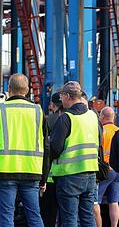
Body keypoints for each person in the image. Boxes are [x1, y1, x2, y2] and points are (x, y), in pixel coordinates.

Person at [0, 73, 49, 227]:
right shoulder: (38, 111)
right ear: (27, 90)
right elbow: (46, 146)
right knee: (34, 215)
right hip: (32, 171)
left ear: (9, 89)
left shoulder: (1, 110)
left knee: (6, 215)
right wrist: (44, 177)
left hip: (5, 170)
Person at [50, 81, 101, 227]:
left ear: (67, 96)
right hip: (90, 173)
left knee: (69, 219)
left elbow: (55, 147)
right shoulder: (92, 116)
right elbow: (99, 141)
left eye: (61, 97)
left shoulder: (66, 118)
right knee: (87, 217)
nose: (61, 101)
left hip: (69, 175)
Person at [96, 107, 119, 227]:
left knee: (95, 202)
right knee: (114, 201)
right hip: (117, 171)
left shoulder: (102, 131)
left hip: (105, 171)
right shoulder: (118, 130)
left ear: (102, 117)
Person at [41, 92, 63, 227]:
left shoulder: (48, 120)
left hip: (49, 174)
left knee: (48, 212)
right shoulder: (71, 118)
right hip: (67, 172)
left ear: (52, 105)